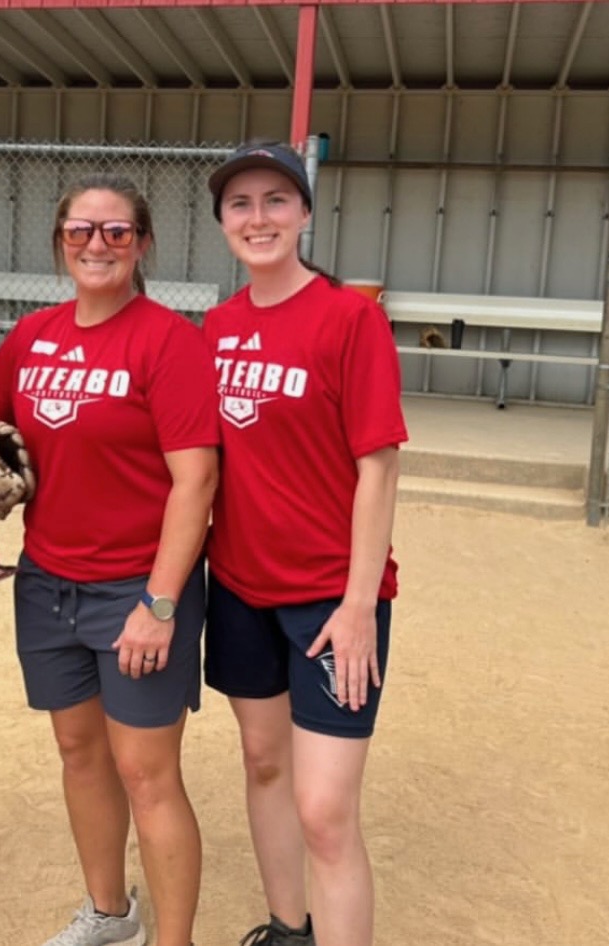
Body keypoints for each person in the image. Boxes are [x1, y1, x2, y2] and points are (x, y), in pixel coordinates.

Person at [0, 174, 220, 946]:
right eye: (80, 231)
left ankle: (175, 942)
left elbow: (196, 480)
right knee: (79, 751)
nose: (97, 245)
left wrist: (160, 604)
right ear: (59, 240)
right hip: (49, 583)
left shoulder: (168, 340)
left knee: (148, 772)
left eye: (116, 232)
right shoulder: (34, 337)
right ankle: (111, 914)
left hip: (137, 587)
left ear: (141, 245)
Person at [201, 142, 408, 946]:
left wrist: (359, 606)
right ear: (223, 224)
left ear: (305, 214)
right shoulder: (215, 329)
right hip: (243, 590)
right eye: (241, 204)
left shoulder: (349, 317)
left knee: (325, 810)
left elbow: (379, 469)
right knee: (264, 767)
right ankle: (290, 930)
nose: (259, 218)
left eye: (276, 201)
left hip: (331, 599)